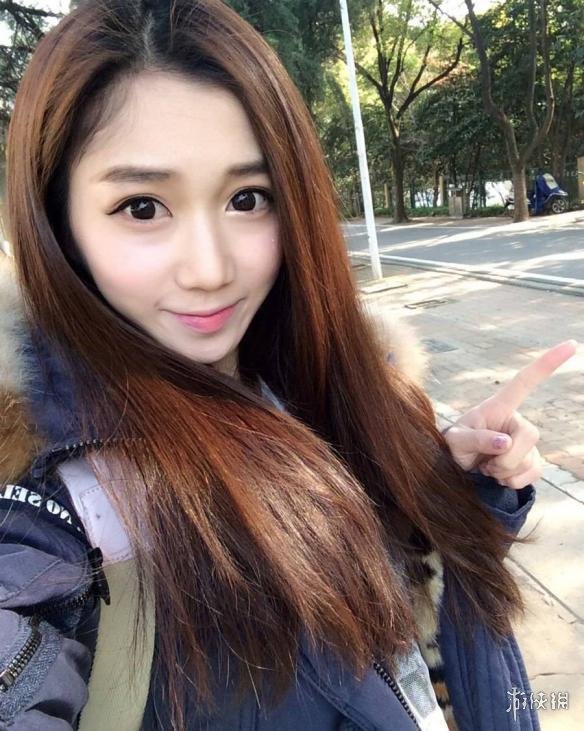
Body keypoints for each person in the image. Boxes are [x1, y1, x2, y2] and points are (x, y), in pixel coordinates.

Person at [0, 1, 576, 729]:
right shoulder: (49, 511)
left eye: (248, 198)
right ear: (60, 225)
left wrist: (454, 489)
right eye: (142, 207)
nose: (210, 270)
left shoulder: (330, 381)